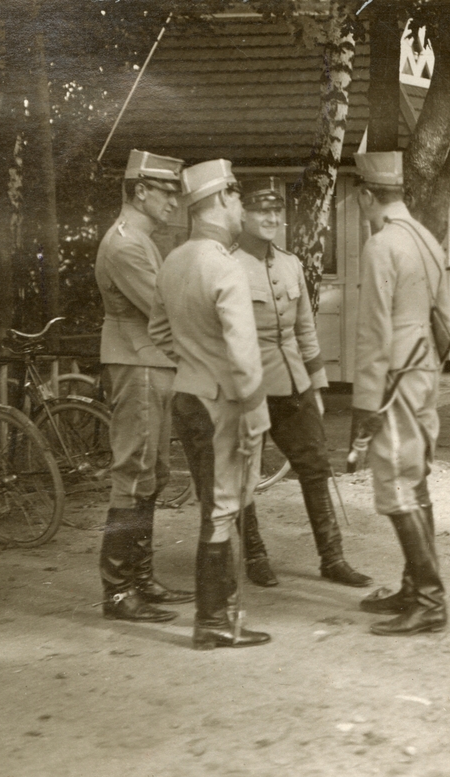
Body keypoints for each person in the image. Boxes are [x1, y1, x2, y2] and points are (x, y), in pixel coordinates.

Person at [149, 159, 272, 649]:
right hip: (223, 404)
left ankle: (215, 616)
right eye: (238, 196)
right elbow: (243, 353)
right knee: (222, 509)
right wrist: (257, 415)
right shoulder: (225, 265)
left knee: (213, 504)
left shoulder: (173, 260)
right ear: (221, 198)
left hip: (187, 395)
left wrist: (194, 363)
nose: (242, 207)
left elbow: (159, 332)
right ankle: (213, 621)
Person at [230, 177, 372, 589]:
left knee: (315, 466)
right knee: (243, 473)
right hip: (248, 387)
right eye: (261, 210)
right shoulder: (229, 264)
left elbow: (305, 330)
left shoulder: (290, 264)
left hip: (293, 384)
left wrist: (317, 385)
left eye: (277, 211)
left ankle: (333, 557)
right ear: (242, 214)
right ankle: (255, 555)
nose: (271, 218)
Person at [348, 151, 450, 637]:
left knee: (394, 481)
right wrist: (426, 367)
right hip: (423, 367)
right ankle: (415, 588)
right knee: (415, 477)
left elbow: (373, 330)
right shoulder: (427, 238)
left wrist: (365, 403)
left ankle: (429, 600)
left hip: (394, 376)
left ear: (366, 195)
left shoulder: (381, 244)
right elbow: (446, 321)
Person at [94, 149, 193, 623]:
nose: (173, 201)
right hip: (138, 362)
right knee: (133, 472)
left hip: (151, 363)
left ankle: (140, 578)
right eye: (165, 192)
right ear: (140, 192)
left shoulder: (141, 240)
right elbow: (164, 309)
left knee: (153, 473)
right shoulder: (126, 245)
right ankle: (118, 591)